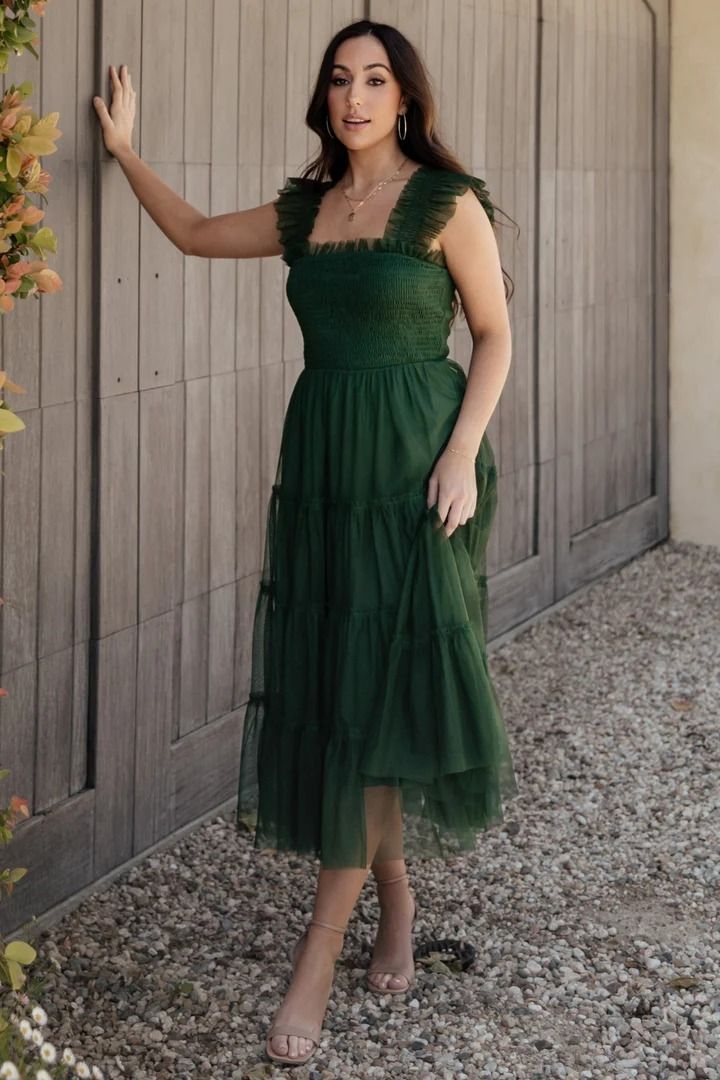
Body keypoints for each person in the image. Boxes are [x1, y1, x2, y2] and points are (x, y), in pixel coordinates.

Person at [93, 17, 519, 1068]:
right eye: (340, 80)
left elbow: (498, 331)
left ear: (407, 97)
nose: (356, 95)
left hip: (419, 470)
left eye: (376, 79)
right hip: (328, 470)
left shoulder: (444, 201)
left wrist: (463, 453)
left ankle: (317, 956)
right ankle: (400, 904)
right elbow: (191, 233)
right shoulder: (309, 208)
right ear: (325, 98)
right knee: (343, 690)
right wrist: (125, 154)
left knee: (375, 690)